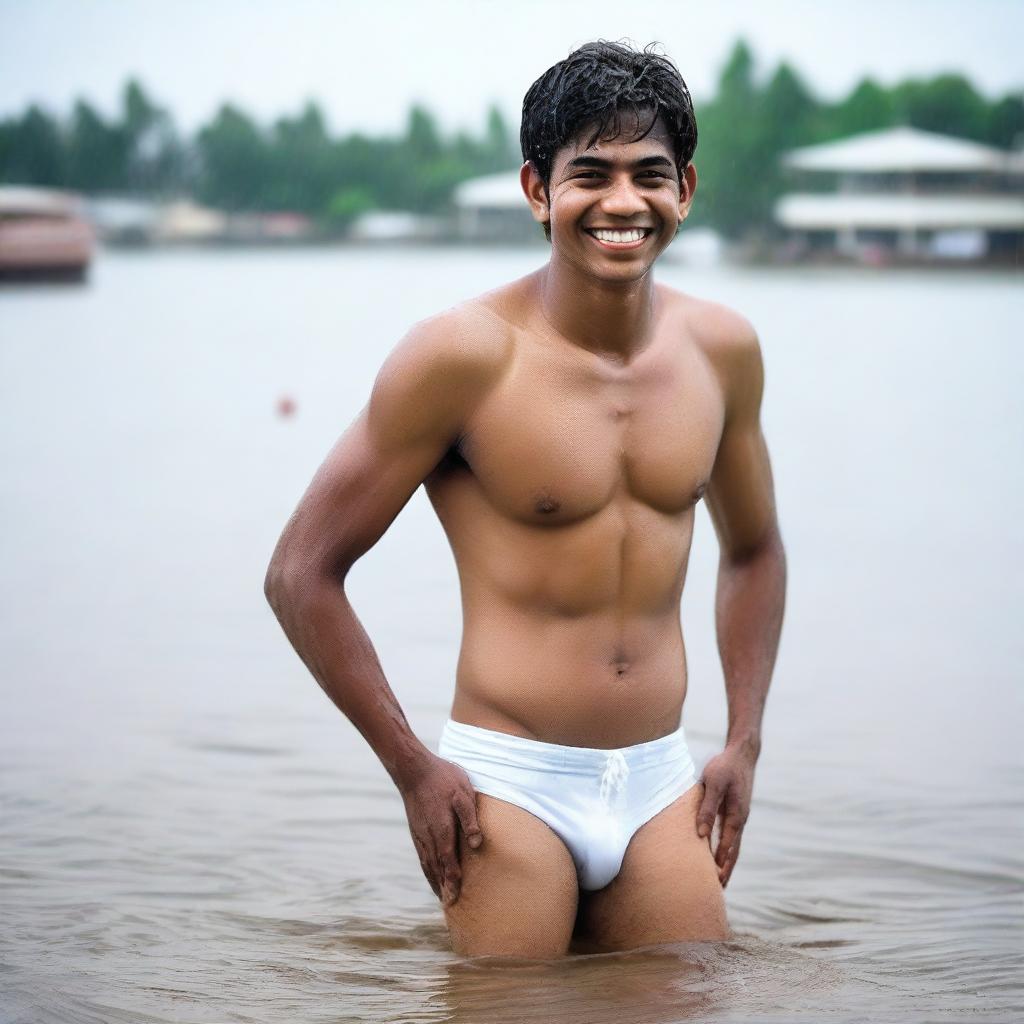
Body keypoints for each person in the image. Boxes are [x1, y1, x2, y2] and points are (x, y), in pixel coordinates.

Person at [264, 40, 786, 959]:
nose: (623, 201)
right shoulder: (461, 358)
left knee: (700, 997)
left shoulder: (723, 351)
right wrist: (414, 771)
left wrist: (743, 740)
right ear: (538, 190)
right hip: (507, 784)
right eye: (591, 173)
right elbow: (301, 573)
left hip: (661, 780)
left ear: (687, 190)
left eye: (648, 175)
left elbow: (754, 552)